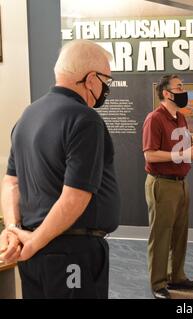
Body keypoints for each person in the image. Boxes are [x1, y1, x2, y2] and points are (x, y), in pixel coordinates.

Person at [0, 39, 120, 298]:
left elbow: (11, 182)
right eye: (105, 80)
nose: (106, 88)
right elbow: (75, 196)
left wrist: (13, 230)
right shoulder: (85, 119)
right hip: (72, 252)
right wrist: (33, 243)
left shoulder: (28, 115)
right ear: (90, 79)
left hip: (35, 252)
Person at [142, 74, 193, 299]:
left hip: (181, 183)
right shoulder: (154, 119)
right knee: (161, 234)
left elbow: (185, 148)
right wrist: (183, 153)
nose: (183, 90)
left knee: (180, 233)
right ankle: (158, 284)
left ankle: (177, 277)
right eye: (179, 87)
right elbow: (150, 155)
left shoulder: (180, 118)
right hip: (162, 184)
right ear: (166, 93)